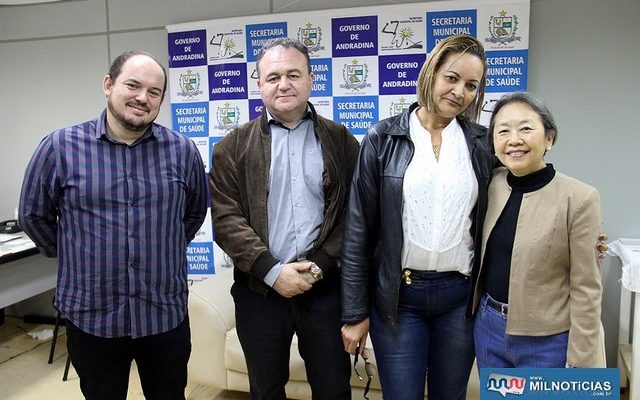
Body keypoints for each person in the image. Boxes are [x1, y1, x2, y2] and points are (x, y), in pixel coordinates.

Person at [18, 50, 208, 400]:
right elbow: (33, 215)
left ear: (161, 100)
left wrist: (160, 245)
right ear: (108, 85)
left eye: (154, 92)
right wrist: (78, 254)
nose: (142, 98)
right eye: (132, 85)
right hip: (92, 316)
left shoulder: (182, 151)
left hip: (163, 314)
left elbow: (194, 212)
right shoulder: (59, 147)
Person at [341, 34, 492, 400]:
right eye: (452, 78)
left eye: (471, 85)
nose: (460, 92)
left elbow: (516, 203)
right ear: (432, 73)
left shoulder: (482, 143)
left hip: (460, 299)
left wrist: (574, 231)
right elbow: (358, 232)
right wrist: (354, 313)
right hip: (398, 301)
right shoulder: (383, 137)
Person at [209, 37, 358, 400]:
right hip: (259, 292)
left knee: (334, 389)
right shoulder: (232, 146)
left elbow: (355, 214)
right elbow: (227, 220)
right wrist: (274, 272)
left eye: (294, 74)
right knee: (265, 390)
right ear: (258, 84)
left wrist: (320, 266)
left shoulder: (340, 141)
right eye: (273, 76)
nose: (284, 84)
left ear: (311, 80)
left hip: (324, 291)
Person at [471, 92, 604, 368]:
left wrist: (581, 358)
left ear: (549, 139)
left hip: (547, 342)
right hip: (489, 331)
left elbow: (586, 289)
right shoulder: (490, 185)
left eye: (526, 128)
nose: (514, 139)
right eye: (503, 130)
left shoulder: (579, 198)